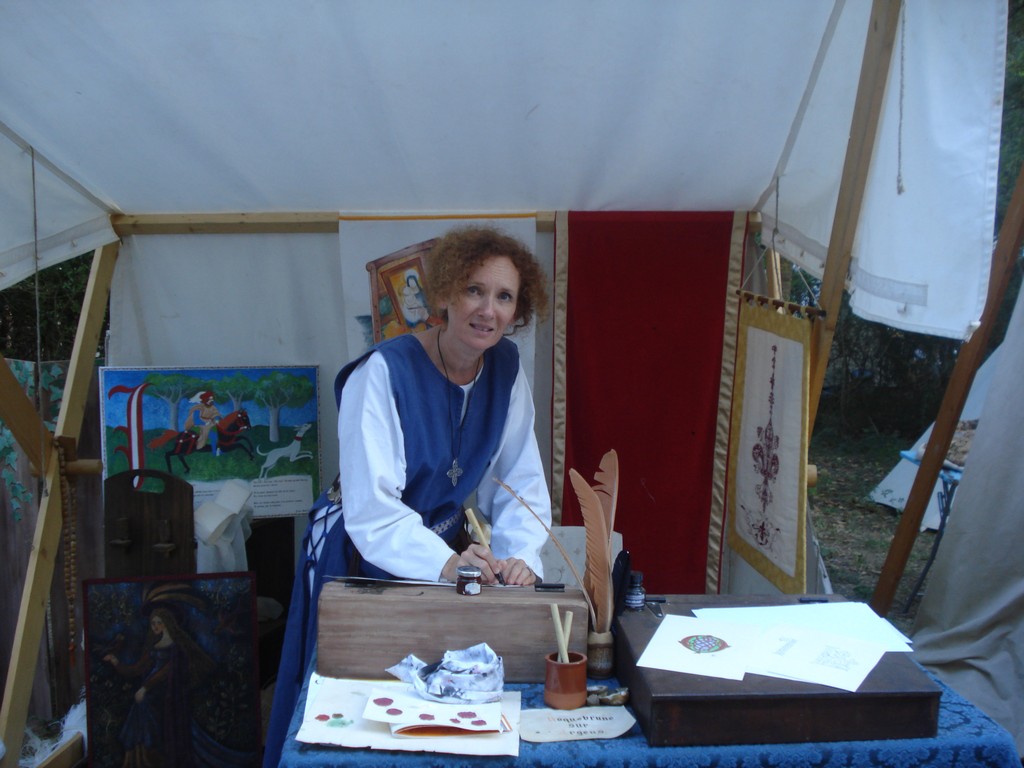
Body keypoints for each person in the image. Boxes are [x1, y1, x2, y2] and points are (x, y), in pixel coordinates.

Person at [263, 225, 552, 766]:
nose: (487, 310)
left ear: (518, 309)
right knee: (357, 704)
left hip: (445, 550)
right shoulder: (381, 373)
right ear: (443, 293)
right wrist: (448, 566)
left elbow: (519, 481)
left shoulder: (506, 371)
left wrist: (519, 560)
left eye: (504, 296)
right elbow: (372, 512)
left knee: (436, 704)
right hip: (355, 551)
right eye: (474, 290)